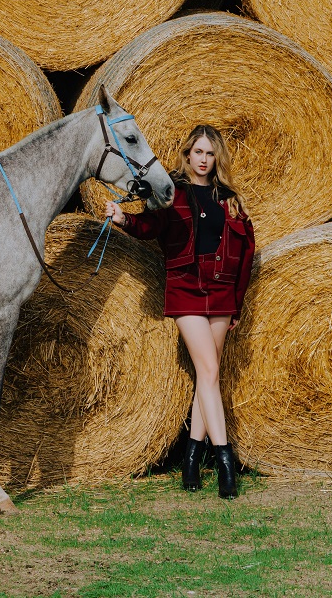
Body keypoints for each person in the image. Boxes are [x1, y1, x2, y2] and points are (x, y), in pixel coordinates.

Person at [105, 124, 255, 498]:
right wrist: (123, 219)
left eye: (210, 153)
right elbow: (149, 225)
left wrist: (235, 303)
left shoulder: (230, 200)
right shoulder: (170, 193)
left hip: (221, 291)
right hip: (187, 286)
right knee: (208, 369)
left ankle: (191, 458)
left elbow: (246, 256)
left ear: (216, 158)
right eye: (198, 152)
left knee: (210, 375)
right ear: (187, 155)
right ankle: (224, 461)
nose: (203, 160)